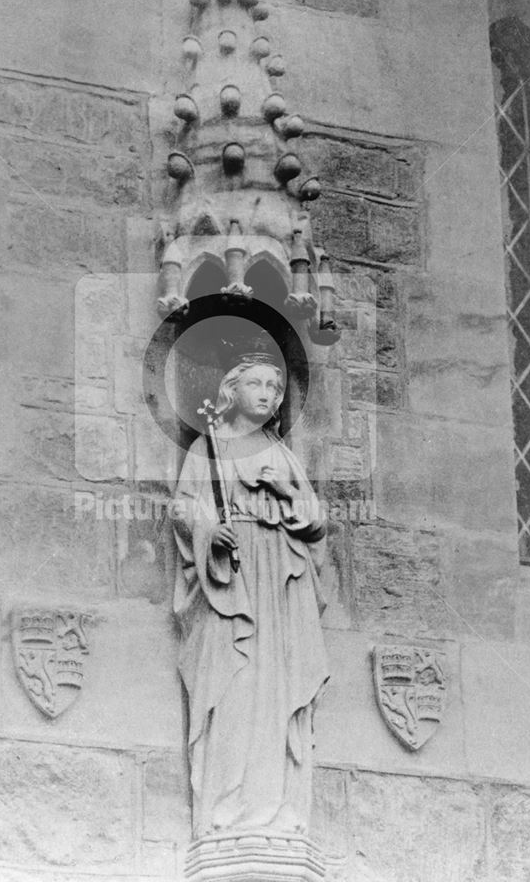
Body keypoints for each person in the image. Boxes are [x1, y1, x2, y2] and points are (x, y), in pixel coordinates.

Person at [171, 346, 329, 838]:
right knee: (236, 687)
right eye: (257, 385)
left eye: (274, 388)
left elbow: (317, 519)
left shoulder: (282, 454)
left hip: (280, 584)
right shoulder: (209, 446)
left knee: (276, 686)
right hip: (232, 584)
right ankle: (227, 806)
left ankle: (278, 807)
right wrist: (208, 529)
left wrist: (286, 496)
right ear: (232, 391)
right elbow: (182, 506)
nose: (266, 395)